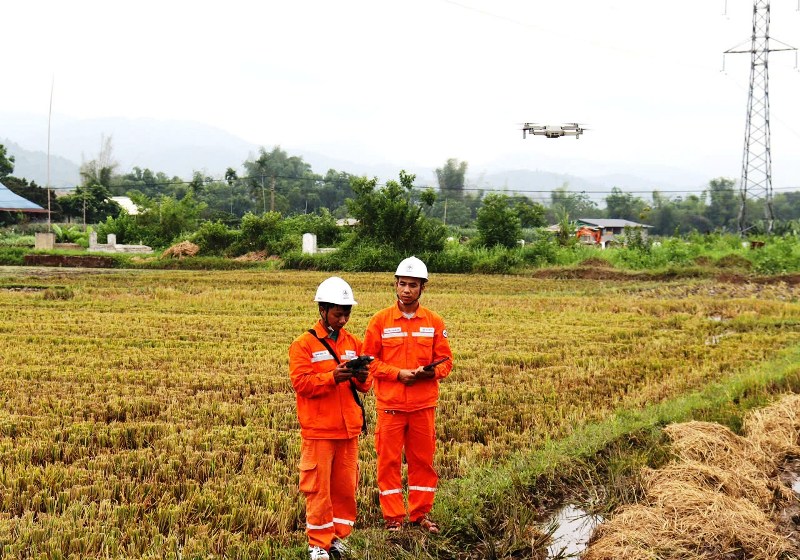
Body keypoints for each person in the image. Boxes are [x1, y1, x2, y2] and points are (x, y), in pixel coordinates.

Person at [362, 256, 453, 534]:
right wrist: (397, 374)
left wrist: (431, 373)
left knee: (422, 462)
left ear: (423, 288)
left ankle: (420, 514)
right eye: (402, 284)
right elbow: (368, 361)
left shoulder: (434, 321)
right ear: (395, 285)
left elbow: (446, 361)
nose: (407, 290)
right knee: (388, 462)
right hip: (390, 405)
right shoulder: (380, 321)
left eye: (413, 285)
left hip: (423, 406)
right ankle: (393, 519)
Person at [289, 276, 372, 560]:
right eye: (338, 312)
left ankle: (338, 538)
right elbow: (301, 383)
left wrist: (361, 376)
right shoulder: (303, 345)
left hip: (348, 429)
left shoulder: (353, 343)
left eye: (347, 312)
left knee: (345, 488)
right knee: (318, 489)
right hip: (320, 430)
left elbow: (365, 386)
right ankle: (318, 544)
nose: (344, 318)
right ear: (322, 310)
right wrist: (331, 377)